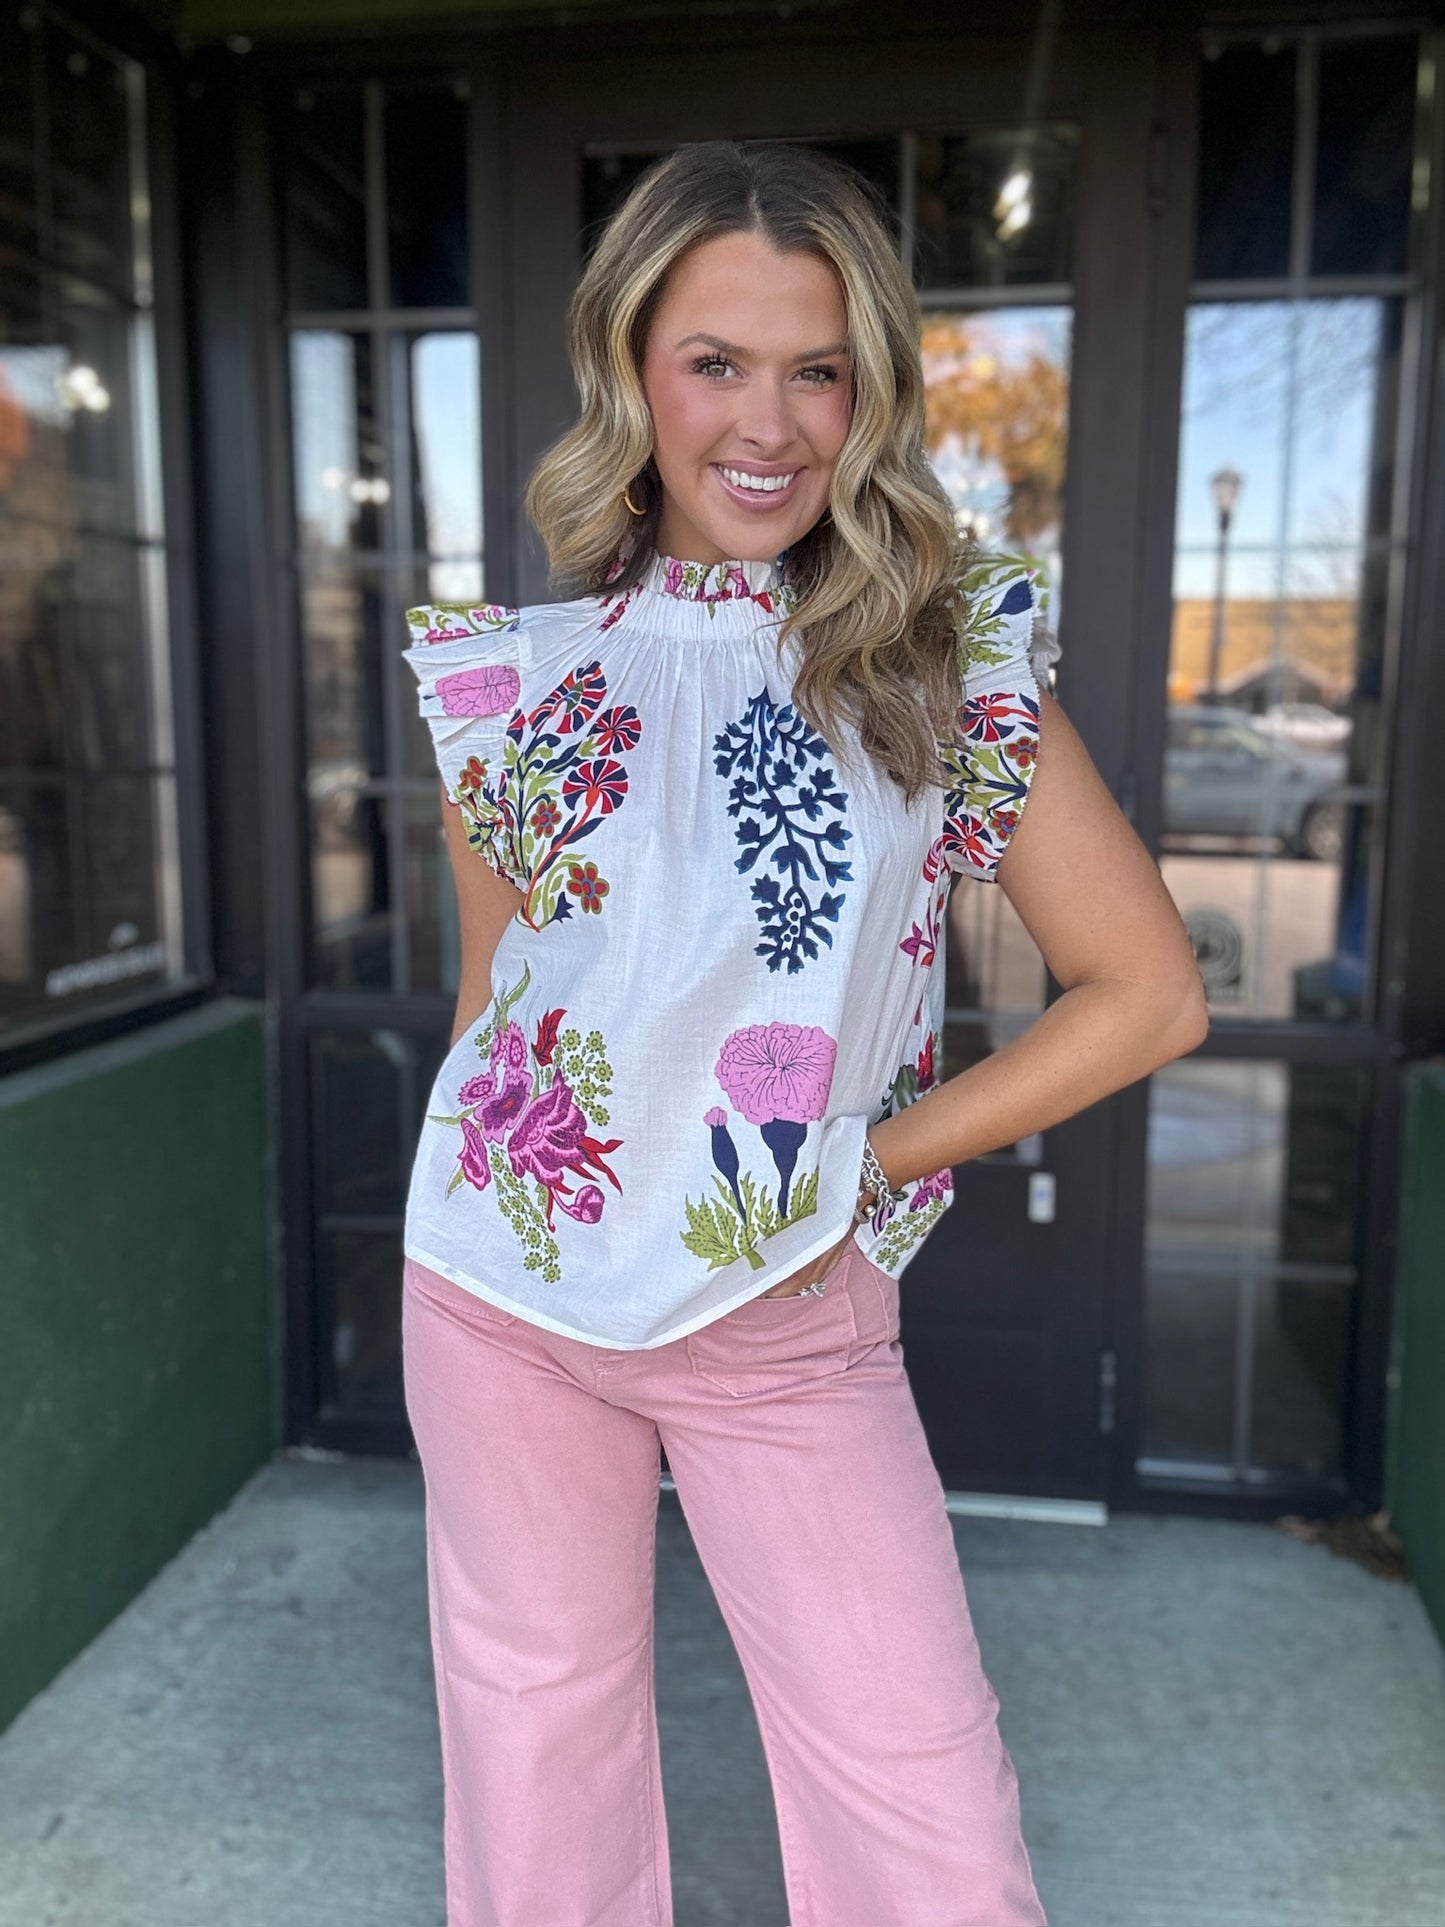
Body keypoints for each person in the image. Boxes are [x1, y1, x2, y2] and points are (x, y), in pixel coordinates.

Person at [399, 139, 1207, 1927]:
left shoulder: (937, 671)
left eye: (817, 368)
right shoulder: (507, 681)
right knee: (536, 1777)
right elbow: (499, 1001)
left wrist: (860, 1167)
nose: (765, 421)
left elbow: (1149, 990)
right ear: (631, 371)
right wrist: (480, 1187)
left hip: (782, 1307)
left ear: (869, 393)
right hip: (497, 1300)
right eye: (714, 362)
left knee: (922, 1817)